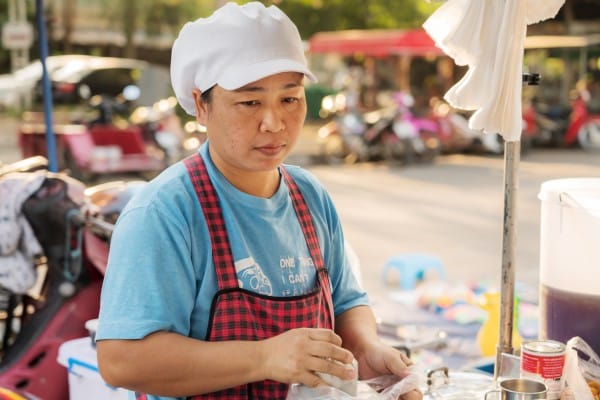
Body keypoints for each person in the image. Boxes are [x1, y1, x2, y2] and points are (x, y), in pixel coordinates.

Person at [95, 2, 422, 400]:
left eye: (290, 99)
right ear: (201, 105)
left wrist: (368, 350)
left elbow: (346, 301)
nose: (274, 123)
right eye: (250, 102)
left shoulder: (310, 197)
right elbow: (121, 360)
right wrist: (265, 357)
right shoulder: (165, 213)